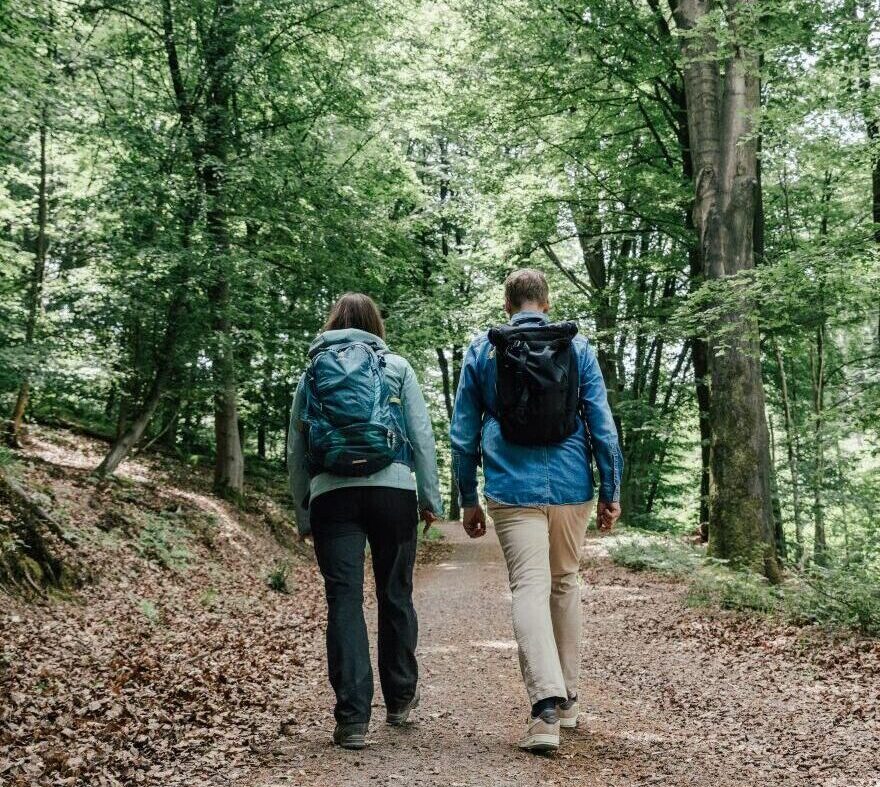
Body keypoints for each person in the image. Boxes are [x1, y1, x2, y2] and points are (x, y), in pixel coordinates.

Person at [449, 268, 623, 754]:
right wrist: (611, 489)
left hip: (510, 484)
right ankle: (567, 701)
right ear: (545, 302)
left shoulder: (484, 350)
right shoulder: (578, 348)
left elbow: (464, 434)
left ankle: (544, 709)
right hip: (572, 485)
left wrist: (467, 498)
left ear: (508, 306)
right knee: (564, 582)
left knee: (529, 585)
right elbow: (603, 426)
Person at [288, 293, 443, 750]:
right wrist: (430, 498)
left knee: (344, 600)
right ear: (375, 324)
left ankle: (352, 719)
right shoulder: (396, 366)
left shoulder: (312, 371)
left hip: (332, 495)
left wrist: (304, 510)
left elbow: (296, 448)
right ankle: (399, 699)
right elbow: (420, 435)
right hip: (393, 489)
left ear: (333, 323)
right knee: (395, 592)